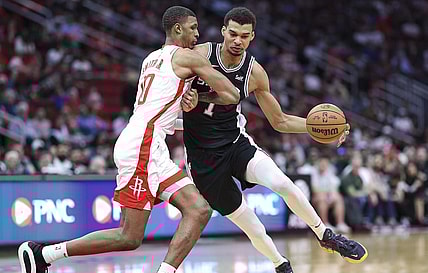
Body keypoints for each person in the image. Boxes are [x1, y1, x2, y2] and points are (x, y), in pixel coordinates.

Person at [18, 6, 240, 273]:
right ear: (178, 29)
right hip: (143, 145)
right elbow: (232, 93)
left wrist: (187, 104)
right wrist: (203, 98)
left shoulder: (151, 58)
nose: (198, 33)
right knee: (129, 236)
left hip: (148, 143)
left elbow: (162, 108)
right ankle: (43, 254)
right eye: (193, 27)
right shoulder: (187, 58)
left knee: (199, 209)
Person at [180, 7, 368, 273]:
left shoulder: (254, 72)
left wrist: (320, 129)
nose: (237, 41)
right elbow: (171, 90)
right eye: (232, 33)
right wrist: (183, 103)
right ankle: (281, 265)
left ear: (252, 37)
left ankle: (326, 235)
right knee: (253, 226)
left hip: (235, 143)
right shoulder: (199, 55)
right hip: (202, 158)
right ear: (223, 31)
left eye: (244, 36)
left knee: (283, 183)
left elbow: (280, 121)